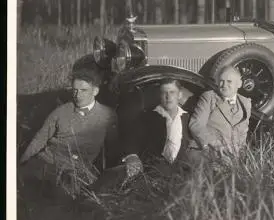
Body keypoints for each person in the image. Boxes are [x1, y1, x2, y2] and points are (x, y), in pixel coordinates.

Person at [19, 69, 118, 197]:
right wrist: (23, 162)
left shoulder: (108, 115)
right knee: (19, 187)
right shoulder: (60, 112)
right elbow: (39, 139)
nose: (77, 95)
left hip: (74, 170)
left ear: (95, 91)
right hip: (46, 162)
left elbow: (113, 146)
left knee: (62, 198)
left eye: (83, 90)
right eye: (74, 90)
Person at [121, 78, 191, 179]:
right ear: (159, 96)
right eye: (164, 93)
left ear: (179, 95)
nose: (168, 96)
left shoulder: (188, 118)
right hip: (153, 173)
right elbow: (131, 139)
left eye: (172, 92)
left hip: (182, 175)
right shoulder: (146, 117)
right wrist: (132, 156)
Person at [185, 65, 252, 167]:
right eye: (221, 81)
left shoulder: (246, 102)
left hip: (232, 157)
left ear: (239, 84)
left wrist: (240, 154)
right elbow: (196, 125)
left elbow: (243, 133)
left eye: (229, 81)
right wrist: (215, 145)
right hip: (206, 151)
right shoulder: (209, 97)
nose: (224, 85)